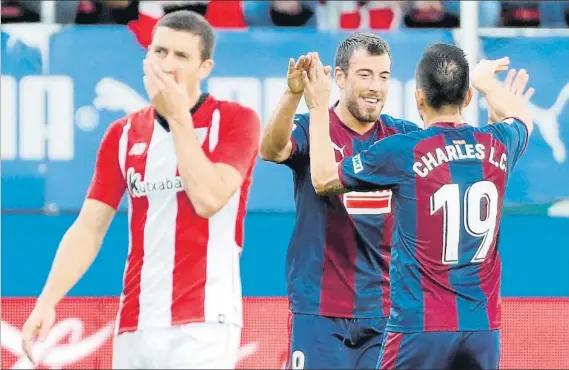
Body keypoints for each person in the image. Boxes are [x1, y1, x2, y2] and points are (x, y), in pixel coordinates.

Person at [21, 10, 260, 369]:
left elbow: (209, 199)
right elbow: (89, 228)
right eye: (159, 52)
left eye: (181, 56)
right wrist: (47, 300)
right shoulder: (122, 134)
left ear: (205, 67)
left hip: (205, 323)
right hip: (135, 322)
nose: (167, 64)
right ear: (146, 58)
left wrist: (178, 116)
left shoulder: (235, 120)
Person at [304, 44, 534, 369]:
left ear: (419, 98)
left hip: (419, 327)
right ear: (467, 98)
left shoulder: (402, 150)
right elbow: (523, 117)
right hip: (483, 328)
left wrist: (316, 107)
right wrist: (486, 82)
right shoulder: (497, 143)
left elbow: (324, 179)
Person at [259, 33, 420, 369]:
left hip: (386, 313)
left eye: (384, 76)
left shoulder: (403, 136)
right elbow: (271, 150)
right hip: (318, 312)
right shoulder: (311, 126)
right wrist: (293, 96)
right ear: (340, 77)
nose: (376, 87)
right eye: (365, 75)